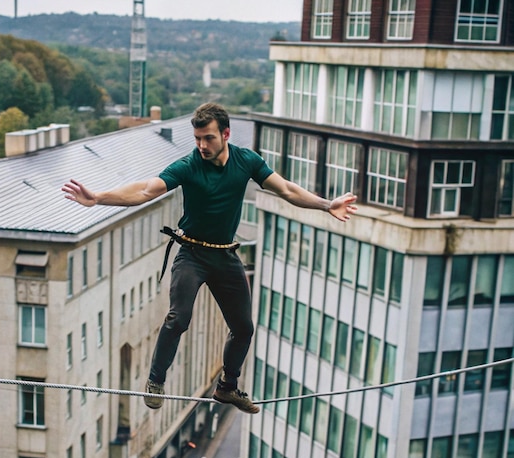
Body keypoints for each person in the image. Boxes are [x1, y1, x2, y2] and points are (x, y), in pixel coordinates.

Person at [62, 102, 357, 414]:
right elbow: (147, 190)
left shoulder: (246, 161)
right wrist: (98, 198)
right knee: (179, 317)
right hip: (192, 254)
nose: (202, 145)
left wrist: (327, 205)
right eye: (198, 139)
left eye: (209, 138)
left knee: (244, 328)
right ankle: (155, 381)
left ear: (226, 134)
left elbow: (285, 189)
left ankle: (227, 387)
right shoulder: (188, 166)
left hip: (225, 256)